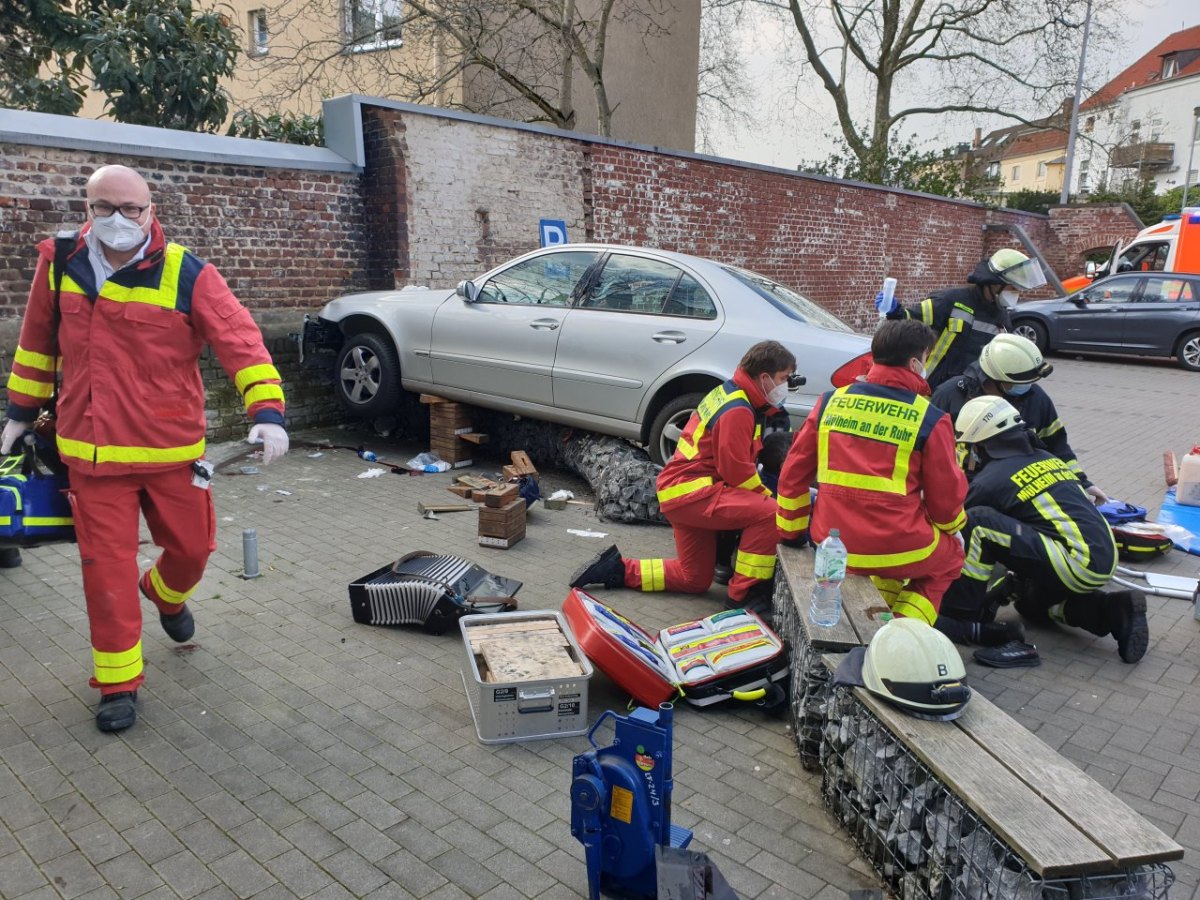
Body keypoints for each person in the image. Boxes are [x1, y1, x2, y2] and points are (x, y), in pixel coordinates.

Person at [0, 165, 289, 732]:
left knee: (192, 550)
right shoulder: (60, 263)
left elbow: (241, 341)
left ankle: (164, 593)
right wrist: (17, 416)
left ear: (151, 210)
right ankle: (118, 684)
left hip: (170, 451)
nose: (118, 219)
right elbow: (37, 343)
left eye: (131, 208)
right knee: (103, 576)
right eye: (104, 207)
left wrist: (268, 413)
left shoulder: (186, 271)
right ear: (87, 208)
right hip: (92, 455)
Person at [570, 340, 797, 618]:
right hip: (694, 494)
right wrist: (767, 495)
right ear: (764, 377)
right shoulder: (739, 410)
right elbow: (737, 472)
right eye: (783, 379)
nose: (785, 386)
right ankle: (744, 596)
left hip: (683, 492)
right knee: (769, 513)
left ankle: (618, 569)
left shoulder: (732, 395)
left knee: (694, 579)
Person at [775, 320, 967, 625]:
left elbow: (792, 476)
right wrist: (954, 529)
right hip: (896, 545)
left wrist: (792, 534)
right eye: (926, 359)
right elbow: (944, 502)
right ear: (915, 362)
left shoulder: (830, 402)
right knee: (951, 558)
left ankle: (883, 615)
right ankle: (902, 633)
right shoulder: (930, 418)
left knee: (903, 561)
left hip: (832, 542)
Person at [940, 396, 1148, 663]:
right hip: (1102, 555)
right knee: (1029, 604)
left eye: (968, 447)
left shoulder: (990, 480)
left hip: (1074, 559)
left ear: (980, 445)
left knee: (977, 522)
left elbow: (956, 528)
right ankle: (1115, 611)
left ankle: (961, 612)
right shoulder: (1046, 457)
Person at [931, 333, 1109, 503]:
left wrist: (1082, 483)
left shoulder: (1035, 398)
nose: (1028, 387)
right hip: (961, 496)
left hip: (1015, 496)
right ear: (997, 379)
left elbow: (1058, 447)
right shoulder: (950, 397)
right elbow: (928, 451)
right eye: (1021, 383)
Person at [875, 248, 1047, 391]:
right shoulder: (951, 301)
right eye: (1013, 287)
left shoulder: (1002, 318)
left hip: (972, 396)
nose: (1016, 293)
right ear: (994, 283)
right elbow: (911, 320)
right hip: (932, 391)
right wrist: (895, 311)